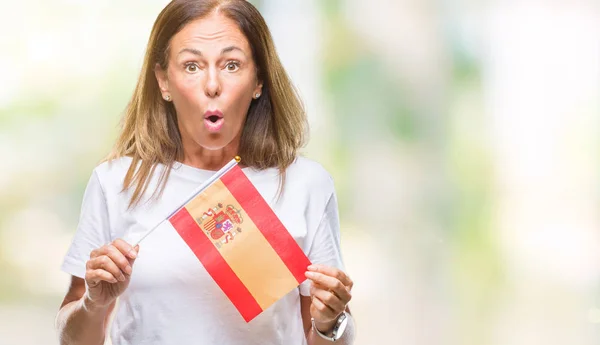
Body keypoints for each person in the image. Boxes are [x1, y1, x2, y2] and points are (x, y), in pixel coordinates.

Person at [55, 1, 355, 344]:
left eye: (231, 65)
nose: (212, 84)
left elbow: (325, 333)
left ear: (258, 80)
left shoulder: (306, 185)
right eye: (192, 65)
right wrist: (94, 304)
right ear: (164, 81)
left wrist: (330, 322)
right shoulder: (115, 182)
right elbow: (72, 340)